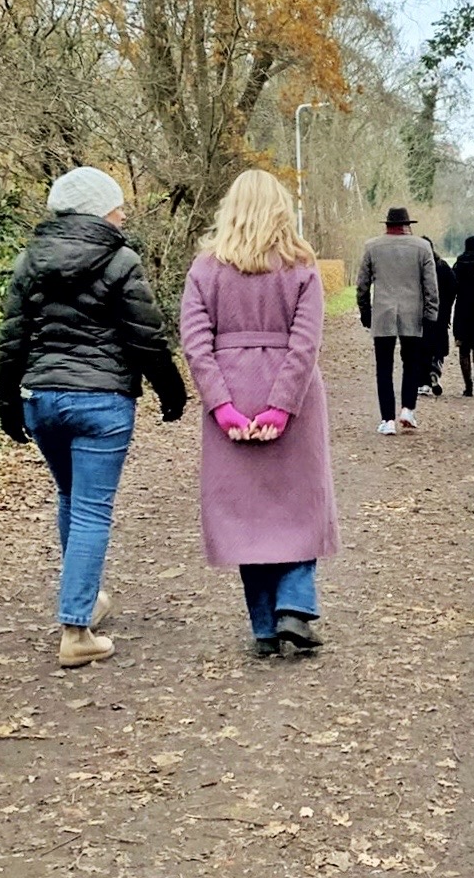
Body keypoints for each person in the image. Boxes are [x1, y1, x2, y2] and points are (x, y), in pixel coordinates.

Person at [0, 166, 187, 668]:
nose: (122, 216)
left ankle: (87, 600)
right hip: (102, 401)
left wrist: (7, 401)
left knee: (70, 498)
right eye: (117, 208)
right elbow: (145, 335)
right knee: (91, 510)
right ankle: (76, 630)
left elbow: (12, 338)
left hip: (42, 398)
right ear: (99, 211)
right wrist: (171, 391)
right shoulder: (121, 260)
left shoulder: (29, 260)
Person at [179, 169, 339, 657]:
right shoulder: (302, 267)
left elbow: (195, 344)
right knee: (301, 504)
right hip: (292, 398)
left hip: (232, 391)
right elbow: (306, 344)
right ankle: (294, 606)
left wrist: (222, 406)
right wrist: (282, 406)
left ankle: (266, 628)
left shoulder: (205, 269)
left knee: (245, 516)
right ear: (280, 209)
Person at [356, 206, 438, 434]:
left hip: (383, 313)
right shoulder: (422, 247)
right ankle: (407, 409)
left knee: (384, 368)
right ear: (407, 225)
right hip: (413, 313)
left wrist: (365, 310)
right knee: (411, 363)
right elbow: (431, 286)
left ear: (387, 225)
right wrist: (431, 316)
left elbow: (362, 284)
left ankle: (387, 420)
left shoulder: (372, 247)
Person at [451, 235, 474, 396]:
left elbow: (452, 286)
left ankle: (468, 386)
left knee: (463, 349)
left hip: (463, 309)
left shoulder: (459, 263)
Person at [422, 236, 456, 396]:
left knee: (422, 347)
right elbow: (453, 287)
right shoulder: (442, 266)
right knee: (438, 346)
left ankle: (424, 382)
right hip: (441, 313)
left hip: (422, 314)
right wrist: (447, 306)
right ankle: (435, 369)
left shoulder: (418, 268)